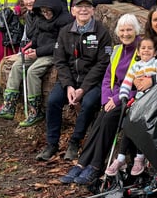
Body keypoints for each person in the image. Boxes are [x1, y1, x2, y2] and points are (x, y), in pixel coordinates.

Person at [59, 14, 143, 185]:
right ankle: (82, 163)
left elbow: (139, 83)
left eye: (129, 29)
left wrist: (117, 100)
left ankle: (96, 166)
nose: (125, 33)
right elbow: (107, 78)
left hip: (131, 98)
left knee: (108, 120)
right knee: (100, 118)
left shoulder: (141, 49)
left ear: (136, 30)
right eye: (122, 30)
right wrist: (107, 99)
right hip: (113, 97)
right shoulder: (118, 50)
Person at [36, 0, 112, 161]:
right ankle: (51, 144)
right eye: (79, 7)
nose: (83, 10)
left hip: (92, 82)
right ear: (73, 11)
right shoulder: (65, 32)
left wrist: (83, 89)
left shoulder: (102, 32)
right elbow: (60, 61)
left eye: (87, 7)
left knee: (88, 103)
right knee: (53, 101)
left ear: (93, 11)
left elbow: (103, 63)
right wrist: (69, 86)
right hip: (69, 81)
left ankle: (75, 142)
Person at [0, 0, 71, 126]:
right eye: (43, 11)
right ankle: (9, 105)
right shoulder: (41, 17)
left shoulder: (65, 20)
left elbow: (60, 44)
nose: (46, 14)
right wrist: (32, 46)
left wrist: (38, 52)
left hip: (54, 53)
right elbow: (38, 35)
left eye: (48, 11)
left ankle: (35, 110)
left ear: (54, 7)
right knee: (17, 65)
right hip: (38, 50)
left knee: (33, 72)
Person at [105, 36, 157, 177]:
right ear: (138, 52)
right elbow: (127, 82)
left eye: (149, 48)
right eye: (143, 48)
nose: (146, 51)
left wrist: (150, 79)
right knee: (128, 125)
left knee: (141, 127)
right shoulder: (135, 67)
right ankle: (120, 158)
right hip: (138, 101)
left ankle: (139, 158)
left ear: (155, 52)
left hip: (153, 101)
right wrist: (123, 97)